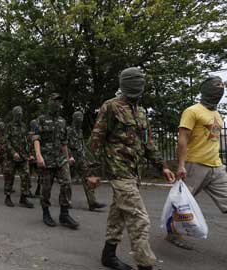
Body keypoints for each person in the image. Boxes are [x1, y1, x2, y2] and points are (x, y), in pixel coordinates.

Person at [87, 67, 175, 270]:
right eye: (135, 81)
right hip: (118, 171)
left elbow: (148, 143)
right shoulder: (111, 107)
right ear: (125, 83)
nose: (139, 85)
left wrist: (162, 166)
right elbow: (95, 140)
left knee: (118, 214)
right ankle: (145, 265)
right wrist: (91, 172)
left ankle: (108, 255)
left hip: (134, 172)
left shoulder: (141, 111)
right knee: (139, 218)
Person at [167, 76, 227, 249]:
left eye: (222, 86)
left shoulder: (216, 114)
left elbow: (212, 140)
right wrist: (181, 165)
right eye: (217, 86)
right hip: (195, 165)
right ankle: (172, 233)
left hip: (216, 167)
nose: (221, 89)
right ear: (206, 89)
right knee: (181, 202)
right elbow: (183, 139)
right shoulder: (192, 111)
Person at [33, 93, 79, 229]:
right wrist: (38, 155)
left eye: (59, 102)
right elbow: (36, 138)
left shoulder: (62, 121)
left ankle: (64, 214)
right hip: (46, 159)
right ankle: (46, 212)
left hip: (60, 159)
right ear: (49, 102)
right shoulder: (40, 120)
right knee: (46, 188)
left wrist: (68, 156)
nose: (57, 104)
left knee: (67, 183)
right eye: (55, 101)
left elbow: (64, 142)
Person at [67, 111, 106, 211]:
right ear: (74, 119)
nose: (80, 120)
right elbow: (64, 144)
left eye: (81, 118)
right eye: (78, 118)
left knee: (88, 179)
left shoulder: (79, 131)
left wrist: (88, 157)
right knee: (66, 181)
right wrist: (69, 156)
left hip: (81, 159)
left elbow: (82, 145)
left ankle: (92, 202)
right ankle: (66, 201)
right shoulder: (68, 130)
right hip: (71, 159)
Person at [4, 106, 34, 208]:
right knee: (9, 177)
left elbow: (26, 141)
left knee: (26, 175)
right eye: (17, 114)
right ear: (14, 114)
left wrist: (29, 154)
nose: (19, 116)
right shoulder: (9, 126)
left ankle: (23, 198)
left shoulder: (24, 126)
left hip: (23, 156)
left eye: (20, 114)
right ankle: (8, 197)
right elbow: (6, 141)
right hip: (11, 157)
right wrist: (13, 153)